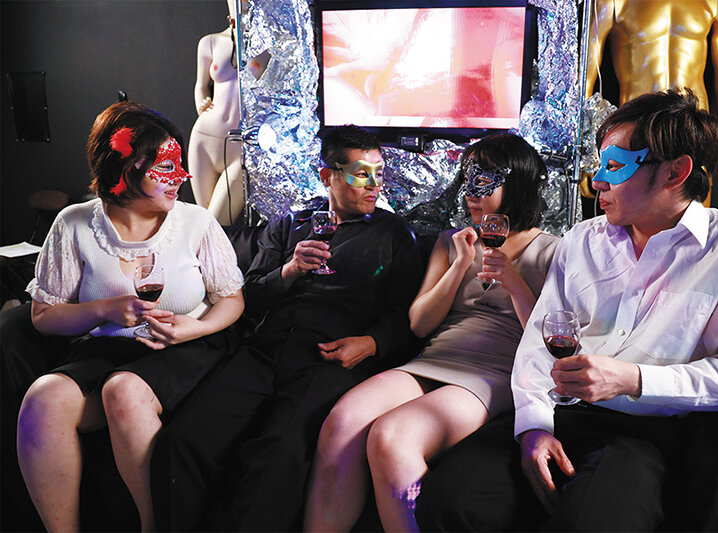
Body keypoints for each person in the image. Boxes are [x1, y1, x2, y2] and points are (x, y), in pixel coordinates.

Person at [414, 89, 718, 532]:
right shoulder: (582, 240)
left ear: (675, 171)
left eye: (613, 166)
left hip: (648, 433)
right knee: (448, 501)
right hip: (560, 413)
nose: (596, 182)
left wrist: (633, 379)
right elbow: (539, 339)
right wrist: (534, 426)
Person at [149, 125, 423, 531]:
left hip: (329, 358)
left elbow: (408, 316)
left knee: (276, 456)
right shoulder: (291, 224)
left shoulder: (394, 234)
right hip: (264, 350)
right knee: (185, 439)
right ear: (327, 175)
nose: (374, 184)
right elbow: (248, 298)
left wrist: (371, 343)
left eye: (379, 173)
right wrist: (290, 270)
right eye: (361, 173)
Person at [302, 133, 559, 532]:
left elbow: (546, 343)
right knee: (343, 422)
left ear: (517, 185)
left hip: (494, 372)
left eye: (484, 182)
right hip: (434, 359)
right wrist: (459, 266)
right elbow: (420, 324)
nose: (471, 194)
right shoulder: (451, 242)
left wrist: (513, 281)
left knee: (392, 437)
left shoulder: (554, 251)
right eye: (468, 180)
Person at [15, 101, 245, 532]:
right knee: (43, 399)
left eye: (179, 164)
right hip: (106, 348)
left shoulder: (195, 222)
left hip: (185, 346)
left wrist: (198, 327)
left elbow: (232, 299)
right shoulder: (74, 224)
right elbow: (43, 316)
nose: (181, 176)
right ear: (124, 168)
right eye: (166, 166)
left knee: (123, 391)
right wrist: (102, 309)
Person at [585, 0, 718, 202]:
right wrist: (587, 150)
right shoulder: (613, 2)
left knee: (692, 214)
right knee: (634, 214)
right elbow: (585, 78)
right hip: (637, 130)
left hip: (691, 128)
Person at [188, 0, 243, 225]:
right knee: (204, 223)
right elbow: (200, 85)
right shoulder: (210, 42)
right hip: (205, 137)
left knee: (214, 226)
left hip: (240, 146)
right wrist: (202, 105)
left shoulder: (269, 46)